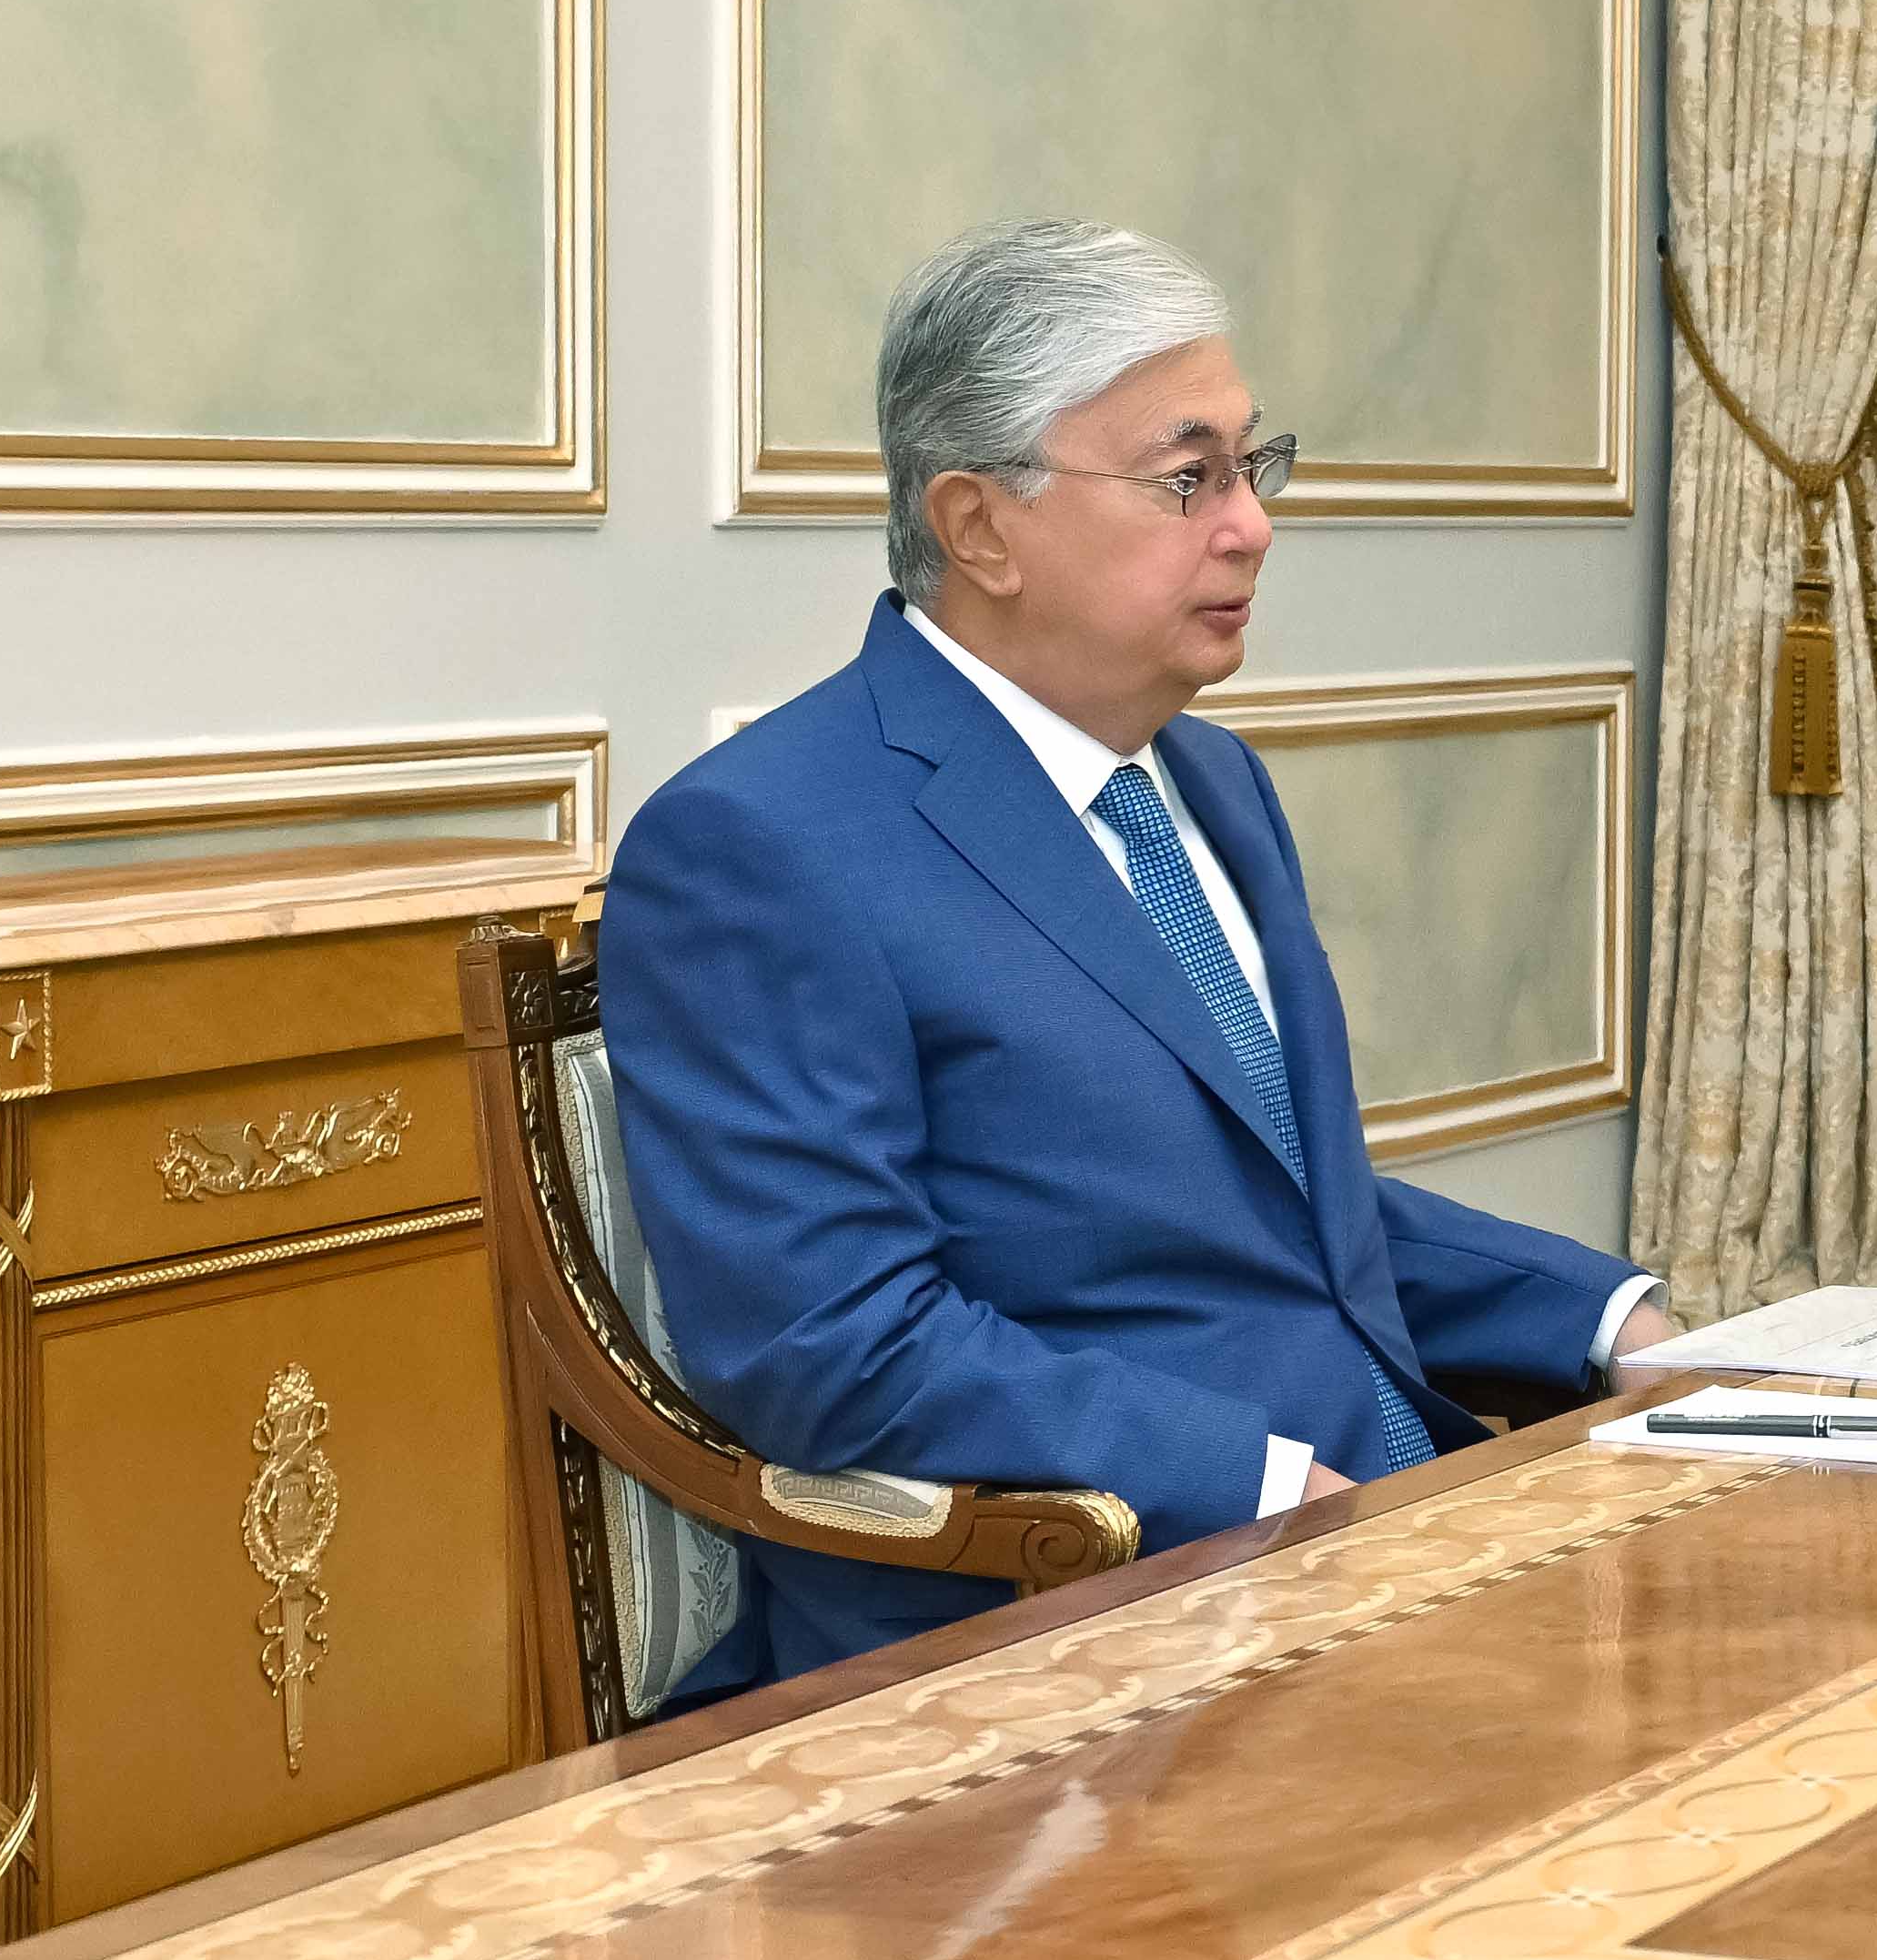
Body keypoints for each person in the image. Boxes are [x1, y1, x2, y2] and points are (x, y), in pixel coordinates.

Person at [609, 218, 1671, 1704]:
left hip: (1375, 1554)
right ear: (980, 527)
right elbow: (829, 1344)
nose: (1251, 527)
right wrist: (1254, 1483)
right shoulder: (761, 843)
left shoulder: (1210, 782)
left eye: (1253, 465)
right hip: (1062, 1637)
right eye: (1189, 479)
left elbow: (1280, 1211)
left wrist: (1616, 1322)